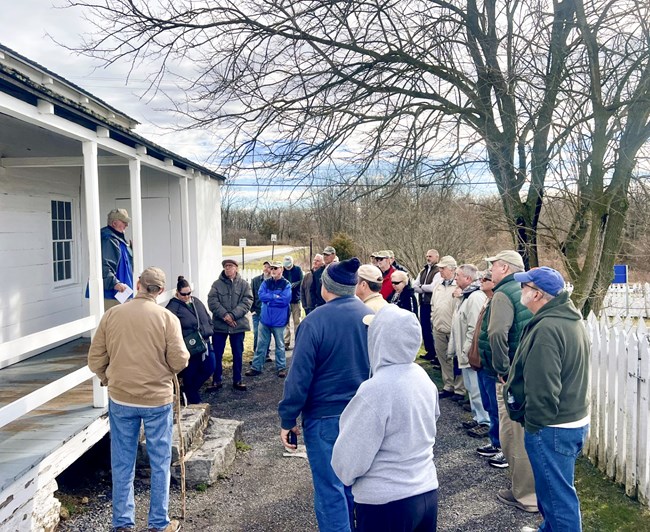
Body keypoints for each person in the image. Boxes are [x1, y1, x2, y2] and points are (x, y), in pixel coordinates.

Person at [88, 267, 189, 532]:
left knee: (122, 462)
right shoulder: (167, 318)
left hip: (121, 398)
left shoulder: (112, 315)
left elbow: (95, 359)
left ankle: (122, 524)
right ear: (160, 290)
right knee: (159, 463)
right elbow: (180, 360)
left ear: (138, 284)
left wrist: (108, 378)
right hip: (157, 400)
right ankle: (158, 524)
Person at [279, 258, 371, 532]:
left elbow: (299, 377)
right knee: (358, 486)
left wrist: (287, 418)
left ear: (326, 287)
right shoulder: (371, 318)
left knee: (330, 489)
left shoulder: (314, 322)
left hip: (325, 418)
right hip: (364, 415)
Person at [331, 305, 440, 532]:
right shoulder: (421, 376)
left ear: (382, 338)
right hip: (426, 491)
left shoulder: (375, 390)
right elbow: (433, 419)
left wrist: (345, 473)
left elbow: (348, 461)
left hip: (386, 503)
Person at [507, 266, 590, 531]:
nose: (521, 291)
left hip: (552, 427)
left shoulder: (548, 328)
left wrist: (534, 425)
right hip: (567, 422)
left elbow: (544, 388)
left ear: (538, 294)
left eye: (525, 287)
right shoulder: (566, 318)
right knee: (552, 493)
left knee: (558, 499)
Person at [482, 250, 536, 512]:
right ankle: (526, 490)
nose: (490, 271)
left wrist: (502, 368)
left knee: (512, 435)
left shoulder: (504, 293)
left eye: (493, 266)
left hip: (511, 376)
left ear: (504, 267)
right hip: (525, 371)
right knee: (521, 433)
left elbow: (496, 334)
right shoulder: (524, 290)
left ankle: (525, 495)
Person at [448, 264, 490, 435]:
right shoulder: (465, 297)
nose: (455, 278)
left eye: (457, 275)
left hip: (470, 354)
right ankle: (477, 417)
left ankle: (485, 422)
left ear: (468, 278)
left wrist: (466, 351)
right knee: (471, 388)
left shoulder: (475, 298)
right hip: (464, 352)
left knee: (477, 389)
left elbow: (474, 328)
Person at [166, 276, 216, 404]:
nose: (187, 296)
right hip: (189, 345)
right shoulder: (172, 307)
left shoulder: (196, 302)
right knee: (190, 372)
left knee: (210, 367)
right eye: (184, 294)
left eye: (189, 293)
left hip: (204, 341)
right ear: (177, 293)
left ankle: (189, 391)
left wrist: (209, 327)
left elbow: (205, 316)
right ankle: (192, 396)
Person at [208, 258, 253, 392]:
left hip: (237, 325)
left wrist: (233, 315)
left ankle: (237, 380)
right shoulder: (216, 284)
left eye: (230, 266)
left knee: (238, 353)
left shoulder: (244, 285)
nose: (228, 268)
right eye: (226, 266)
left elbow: (247, 301)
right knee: (217, 353)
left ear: (236, 268)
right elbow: (212, 301)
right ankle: (216, 380)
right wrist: (225, 316)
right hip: (219, 326)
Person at [246, 260, 292, 378]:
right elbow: (261, 296)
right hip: (265, 320)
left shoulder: (286, 284)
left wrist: (270, 299)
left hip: (279, 321)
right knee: (261, 344)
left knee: (280, 345)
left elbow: (285, 300)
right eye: (271, 268)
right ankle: (256, 367)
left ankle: (281, 368)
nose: (273, 271)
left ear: (281, 269)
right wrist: (275, 297)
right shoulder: (265, 283)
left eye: (275, 268)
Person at [472, 271, 502, 445]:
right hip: (482, 361)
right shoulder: (486, 301)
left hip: (490, 363)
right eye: (481, 278)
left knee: (496, 407)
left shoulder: (497, 303)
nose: (481, 282)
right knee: (489, 405)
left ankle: (499, 445)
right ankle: (494, 441)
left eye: (486, 279)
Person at [431, 255, 466, 401]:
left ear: (451, 269)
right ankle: (448, 385)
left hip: (454, 329)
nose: (440, 270)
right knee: (443, 358)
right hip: (438, 327)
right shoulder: (438, 286)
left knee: (457, 359)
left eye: (443, 268)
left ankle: (459, 389)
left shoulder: (459, 287)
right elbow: (434, 305)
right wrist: (433, 320)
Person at [101, 208, 134, 310]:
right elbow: (105, 265)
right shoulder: (108, 239)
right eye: (124, 222)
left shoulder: (118, 238)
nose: (126, 225)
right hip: (113, 295)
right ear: (114, 223)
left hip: (121, 293)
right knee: (115, 325)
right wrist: (115, 283)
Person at [413, 249, 441, 363]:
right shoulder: (423, 270)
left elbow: (433, 287)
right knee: (425, 327)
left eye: (430, 256)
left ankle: (436, 354)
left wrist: (422, 287)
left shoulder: (438, 271)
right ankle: (429, 351)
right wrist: (424, 287)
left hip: (432, 304)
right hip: (423, 303)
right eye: (427, 256)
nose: (428, 258)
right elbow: (414, 285)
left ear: (436, 257)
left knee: (433, 328)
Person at [282, 255, 304, 349]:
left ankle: (298, 341)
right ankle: (286, 342)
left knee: (297, 321)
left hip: (296, 299)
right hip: (285, 301)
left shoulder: (298, 270)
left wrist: (296, 284)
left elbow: (302, 281)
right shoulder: (282, 270)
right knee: (285, 322)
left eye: (289, 265)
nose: (287, 267)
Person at [251, 261, 271, 351]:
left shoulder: (273, 281)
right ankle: (256, 352)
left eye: (268, 267)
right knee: (256, 332)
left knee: (267, 333)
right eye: (265, 266)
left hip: (269, 312)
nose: (266, 268)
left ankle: (266, 353)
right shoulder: (255, 280)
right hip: (257, 311)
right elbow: (251, 296)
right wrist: (252, 310)